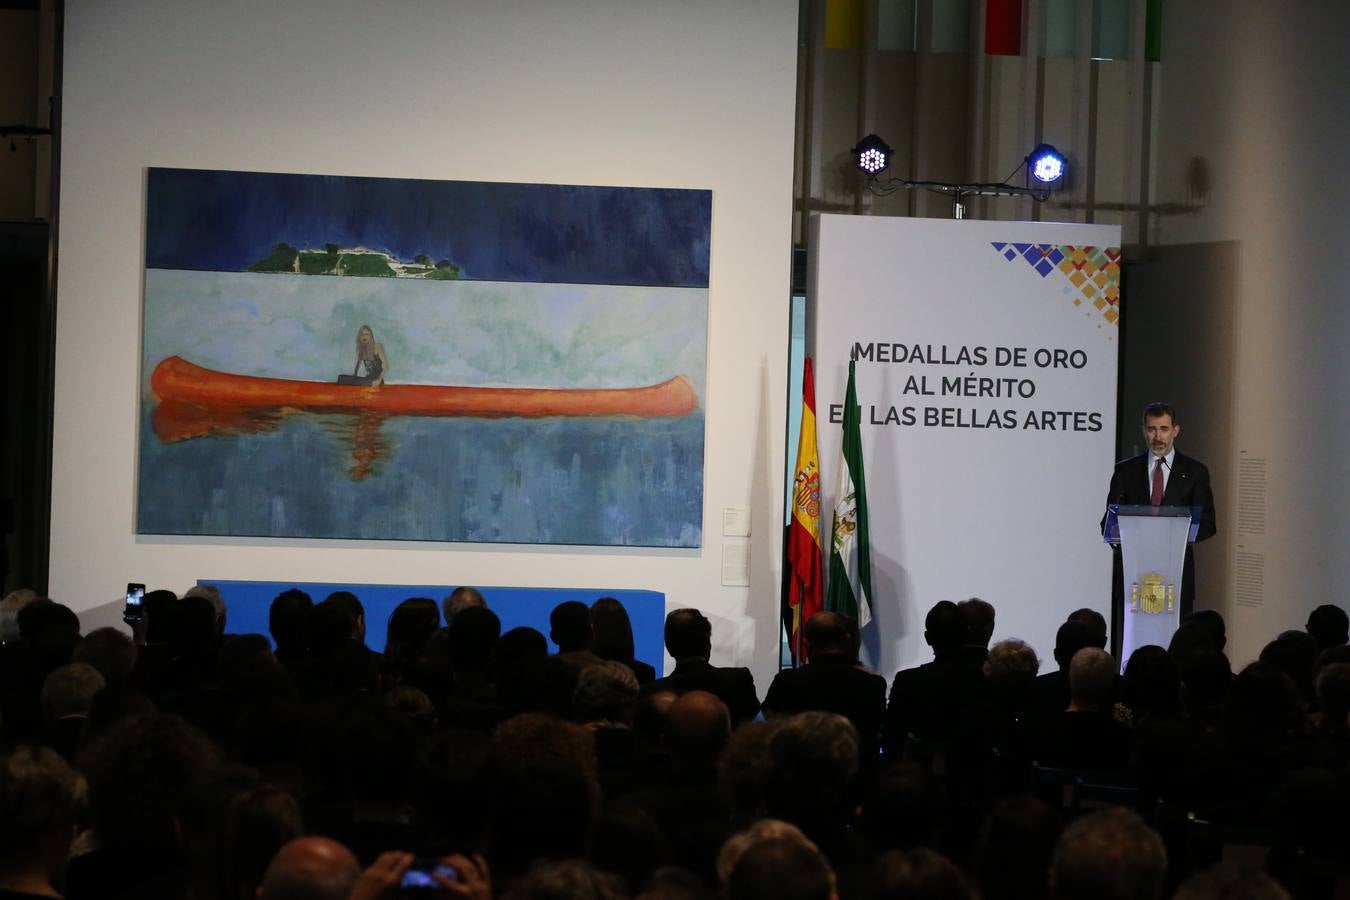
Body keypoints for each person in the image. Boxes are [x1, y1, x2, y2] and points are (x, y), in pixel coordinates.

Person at [1104, 402, 1217, 643]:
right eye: (1152, 429)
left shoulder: (1195, 472)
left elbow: (1207, 523)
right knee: (1132, 640)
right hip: (1135, 574)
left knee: (1176, 640)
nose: (1158, 436)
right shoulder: (1125, 472)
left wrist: (1175, 535)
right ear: (1144, 431)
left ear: (1176, 430)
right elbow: (1109, 521)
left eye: (1164, 429)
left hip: (1176, 571)